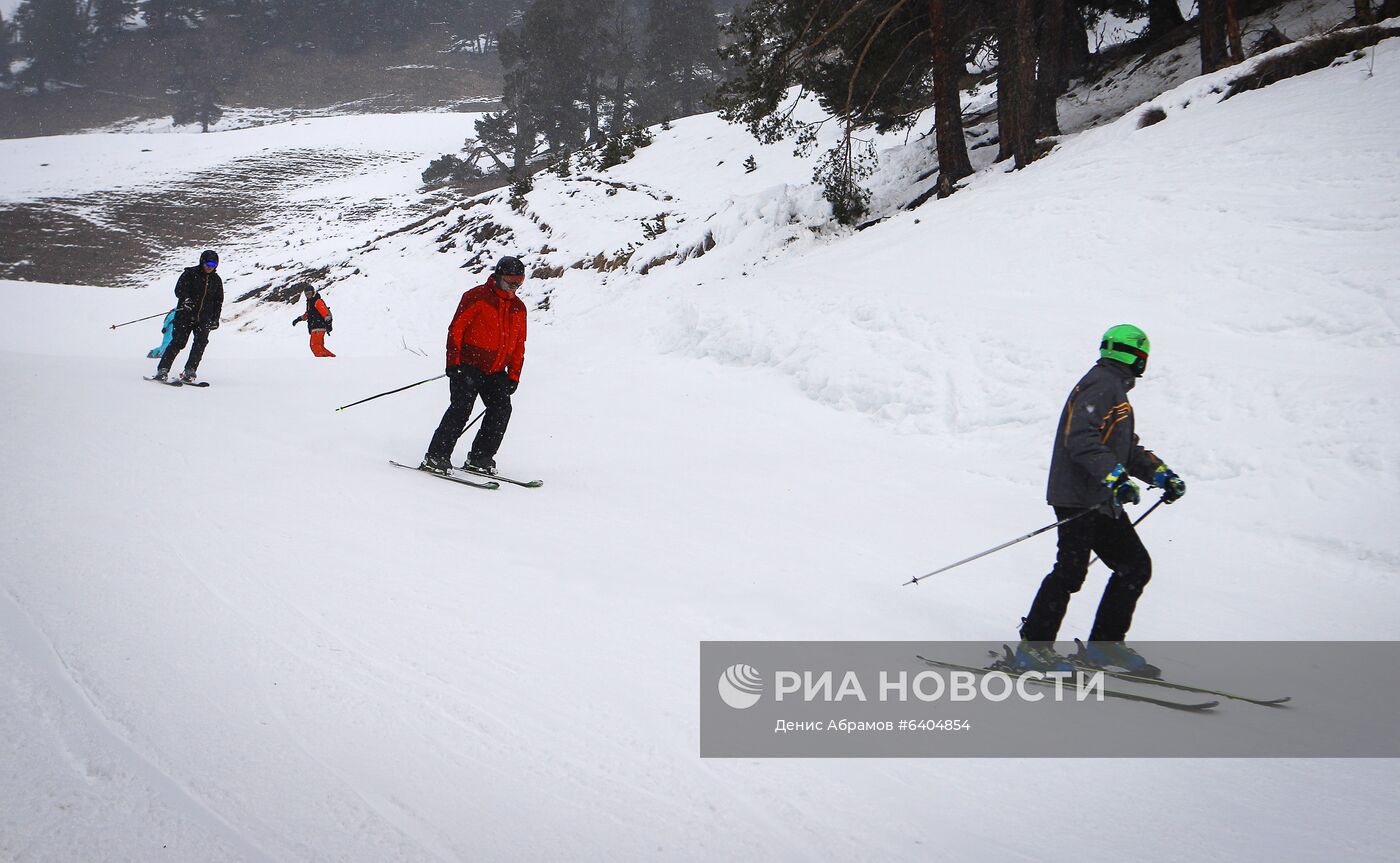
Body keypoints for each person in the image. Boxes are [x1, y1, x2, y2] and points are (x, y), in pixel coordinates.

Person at [1013, 325, 1187, 676]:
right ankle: (1034, 647)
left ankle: (1105, 647)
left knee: (1134, 567)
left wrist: (1160, 474)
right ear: (1136, 355)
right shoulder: (1102, 385)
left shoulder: (1113, 389)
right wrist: (1115, 478)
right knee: (1071, 570)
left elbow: (1124, 448)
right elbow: (1080, 440)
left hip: (1101, 498)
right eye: (1144, 356)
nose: (1145, 363)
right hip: (1078, 497)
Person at [420, 256, 528, 476]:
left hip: (496, 371)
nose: (514, 287)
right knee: (461, 408)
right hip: (467, 366)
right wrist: (453, 363)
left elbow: (519, 344)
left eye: (519, 282)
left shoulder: (518, 308)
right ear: (497, 277)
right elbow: (456, 329)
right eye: (510, 282)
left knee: (501, 410)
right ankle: (436, 456)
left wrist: (514, 376)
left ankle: (480, 458)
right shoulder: (476, 297)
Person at [153, 249, 224, 383]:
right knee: (178, 342)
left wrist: (215, 319)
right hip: (185, 316)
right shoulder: (190, 274)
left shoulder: (216, 280)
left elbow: (218, 301)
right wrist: (185, 300)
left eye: (214, 265)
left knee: (200, 343)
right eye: (208, 263)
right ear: (202, 262)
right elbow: (179, 290)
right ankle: (163, 369)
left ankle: (190, 371)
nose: (210, 267)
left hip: (204, 319)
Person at [290, 283, 335, 357]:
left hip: (318, 326)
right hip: (315, 327)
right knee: (318, 346)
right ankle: (330, 358)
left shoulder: (317, 301)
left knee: (315, 346)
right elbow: (308, 314)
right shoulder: (310, 303)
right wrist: (298, 319)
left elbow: (325, 312)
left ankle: (323, 361)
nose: (308, 295)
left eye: (309, 293)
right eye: (306, 294)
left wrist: (328, 321)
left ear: (313, 292)